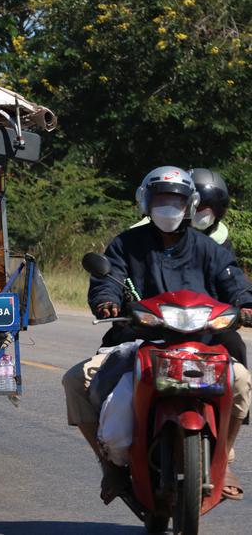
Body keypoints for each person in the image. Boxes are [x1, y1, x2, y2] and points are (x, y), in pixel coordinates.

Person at [62, 166, 252, 502]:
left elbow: (233, 281)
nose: (169, 207)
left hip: (201, 344)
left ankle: (224, 457)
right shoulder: (125, 244)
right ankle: (111, 468)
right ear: (146, 203)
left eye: (176, 200)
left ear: (190, 204)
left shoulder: (208, 249)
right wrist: (106, 301)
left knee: (240, 382)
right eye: (161, 198)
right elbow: (108, 278)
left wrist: (246, 304)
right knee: (76, 381)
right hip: (138, 341)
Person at [190, 168, 233, 252]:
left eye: (215, 206)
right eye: (201, 204)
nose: (206, 212)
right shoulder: (166, 239)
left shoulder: (223, 246)